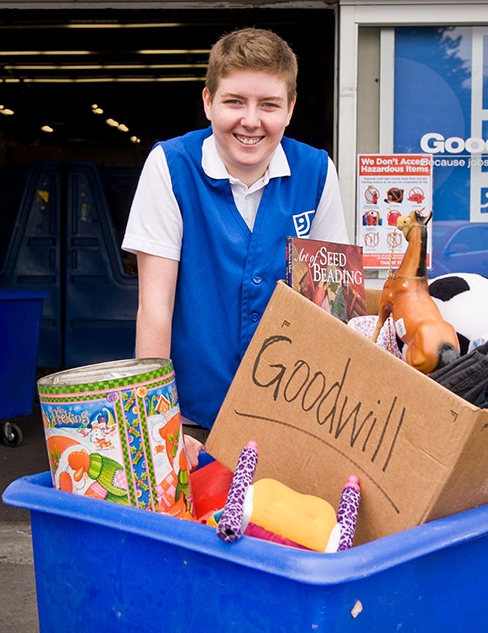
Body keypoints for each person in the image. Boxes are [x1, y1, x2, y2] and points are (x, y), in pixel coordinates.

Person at [121, 27, 349, 465]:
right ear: (208, 102)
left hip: (288, 417)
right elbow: (155, 307)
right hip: (191, 417)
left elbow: (330, 306)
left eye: (268, 104)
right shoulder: (171, 166)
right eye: (234, 101)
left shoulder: (317, 172)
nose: (251, 120)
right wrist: (158, 424)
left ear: (290, 109)